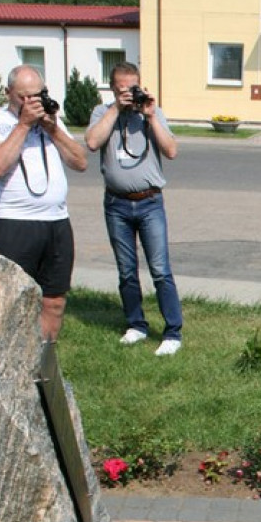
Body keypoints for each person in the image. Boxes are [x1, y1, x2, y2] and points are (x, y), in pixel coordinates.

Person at [0, 65, 88, 341]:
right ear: (8, 94)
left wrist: (54, 130)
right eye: (24, 97)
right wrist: (24, 125)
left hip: (57, 222)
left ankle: (44, 369)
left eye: (37, 96)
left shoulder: (52, 122)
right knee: (10, 302)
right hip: (16, 223)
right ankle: (10, 365)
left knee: (54, 301)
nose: (31, 103)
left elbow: (80, 162)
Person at [85, 61, 183, 356]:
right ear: (113, 88)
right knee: (127, 270)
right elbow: (91, 142)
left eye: (133, 88)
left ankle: (172, 332)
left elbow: (171, 150)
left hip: (150, 202)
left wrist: (151, 116)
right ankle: (136, 325)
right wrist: (116, 108)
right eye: (122, 89)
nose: (129, 94)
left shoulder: (151, 113)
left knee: (160, 269)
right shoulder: (103, 113)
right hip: (116, 204)